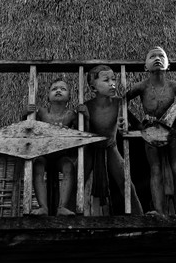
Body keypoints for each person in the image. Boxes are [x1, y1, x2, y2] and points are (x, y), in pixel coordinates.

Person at [126, 46, 176, 215]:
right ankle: (159, 211)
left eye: (161, 56)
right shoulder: (141, 87)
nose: (157, 58)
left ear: (168, 64)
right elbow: (121, 102)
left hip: (173, 131)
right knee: (155, 169)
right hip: (151, 131)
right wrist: (138, 125)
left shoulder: (175, 87)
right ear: (146, 66)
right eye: (152, 56)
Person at [78, 65, 143, 215]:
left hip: (111, 146)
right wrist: (85, 118)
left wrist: (125, 124)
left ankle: (138, 215)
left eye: (113, 79)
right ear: (93, 87)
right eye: (106, 80)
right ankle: (66, 211)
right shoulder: (87, 106)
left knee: (126, 182)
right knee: (78, 178)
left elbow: (134, 123)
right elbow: (83, 133)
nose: (112, 83)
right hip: (91, 148)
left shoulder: (119, 103)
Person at [24, 77, 78, 216]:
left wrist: (86, 117)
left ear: (69, 97)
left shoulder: (71, 114)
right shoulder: (41, 112)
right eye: (54, 89)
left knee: (69, 167)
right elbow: (25, 129)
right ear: (48, 96)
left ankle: (62, 207)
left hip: (61, 154)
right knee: (37, 166)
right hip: (44, 154)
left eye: (63, 89)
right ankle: (43, 207)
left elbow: (82, 132)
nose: (58, 90)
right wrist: (24, 114)